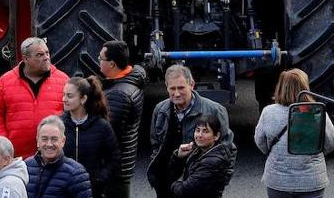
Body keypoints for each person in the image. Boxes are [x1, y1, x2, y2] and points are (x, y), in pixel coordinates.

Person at [147, 65, 235, 198]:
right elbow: (155, 145)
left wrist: (219, 183)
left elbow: (228, 149)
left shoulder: (215, 110)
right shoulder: (160, 110)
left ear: (192, 85)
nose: (176, 93)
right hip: (166, 183)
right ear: (166, 87)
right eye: (172, 88)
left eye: (181, 88)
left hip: (198, 187)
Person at [255, 69, 334, 198]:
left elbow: (260, 141)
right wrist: (315, 152)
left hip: (278, 181)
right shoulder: (317, 112)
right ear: (305, 87)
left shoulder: (268, 112)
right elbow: (331, 142)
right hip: (311, 181)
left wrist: (275, 153)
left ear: (280, 87)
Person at [0, 37, 70, 160]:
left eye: (47, 53)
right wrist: (4, 144)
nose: (46, 57)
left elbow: (73, 114)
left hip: (52, 155)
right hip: (17, 158)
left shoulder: (63, 80)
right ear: (26, 58)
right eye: (40, 55)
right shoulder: (5, 82)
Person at [99, 41, 146, 198]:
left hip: (114, 171)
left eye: (101, 58)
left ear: (112, 64)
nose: (98, 61)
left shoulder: (117, 95)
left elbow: (108, 136)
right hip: (123, 166)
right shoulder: (134, 77)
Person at [61, 77, 119, 198]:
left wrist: (100, 179)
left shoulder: (102, 126)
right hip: (63, 189)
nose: (64, 99)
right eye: (64, 94)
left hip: (92, 190)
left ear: (83, 99)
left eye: (69, 96)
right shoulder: (58, 125)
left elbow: (114, 158)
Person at [167, 115, 234, 198]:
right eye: (197, 130)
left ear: (216, 136)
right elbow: (172, 173)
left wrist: (172, 183)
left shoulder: (213, 161)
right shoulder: (197, 150)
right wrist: (178, 157)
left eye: (205, 131)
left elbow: (186, 190)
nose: (199, 135)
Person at [25, 116, 93, 198]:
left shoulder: (76, 173)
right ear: (37, 141)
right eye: (44, 139)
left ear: (63, 141)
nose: (49, 144)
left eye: (54, 139)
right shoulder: (26, 167)